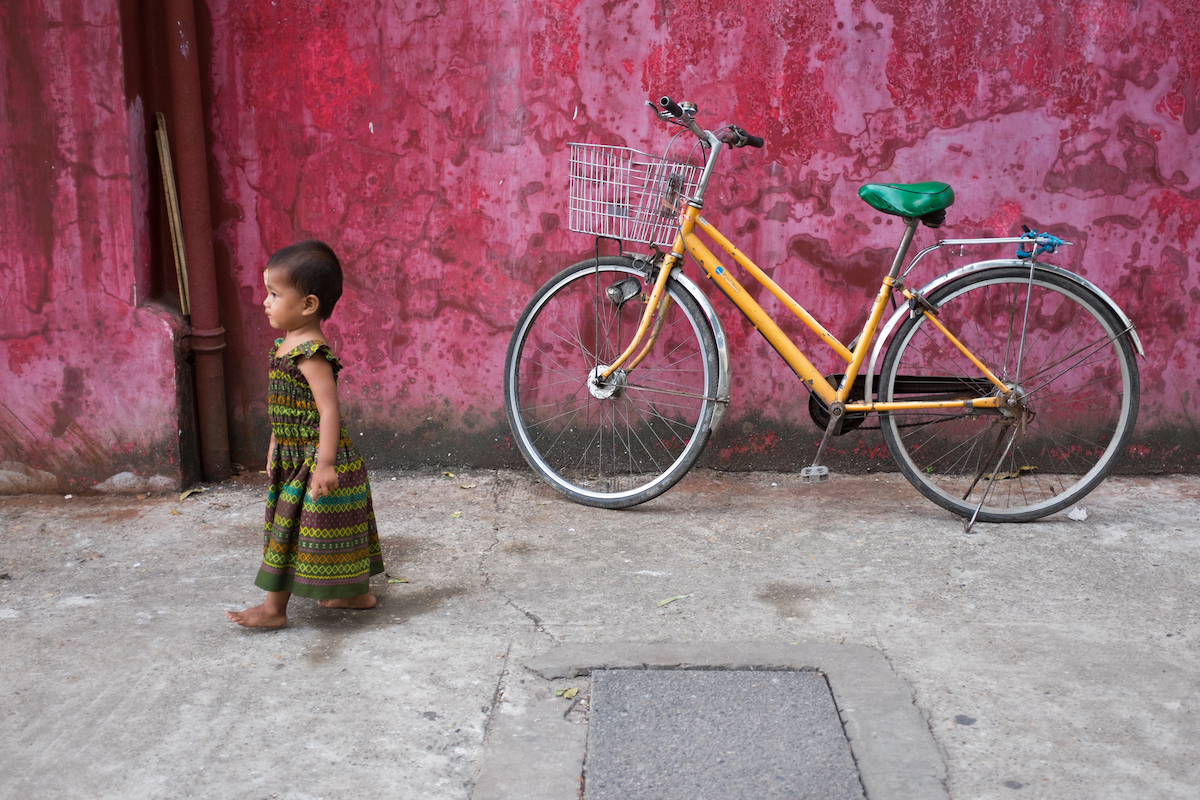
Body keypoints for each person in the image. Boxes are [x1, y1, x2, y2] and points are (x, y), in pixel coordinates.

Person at [227, 240, 383, 628]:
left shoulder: (311, 354)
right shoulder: (284, 346)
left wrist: (325, 464)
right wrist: (275, 444)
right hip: (294, 456)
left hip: (317, 459)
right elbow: (290, 408)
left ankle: (273, 609)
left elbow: (328, 410)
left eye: (275, 294)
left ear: (308, 305)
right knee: (325, 531)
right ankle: (355, 594)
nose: (265, 301)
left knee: (294, 530)